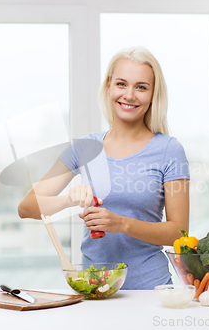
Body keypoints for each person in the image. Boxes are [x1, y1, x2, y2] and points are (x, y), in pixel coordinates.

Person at [18, 46, 190, 289]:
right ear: (109, 87)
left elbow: (179, 234)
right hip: (94, 287)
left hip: (150, 289)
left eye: (141, 87)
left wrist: (121, 224)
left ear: (153, 95)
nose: (129, 95)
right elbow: (26, 208)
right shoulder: (85, 148)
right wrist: (68, 200)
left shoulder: (169, 150)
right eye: (122, 84)